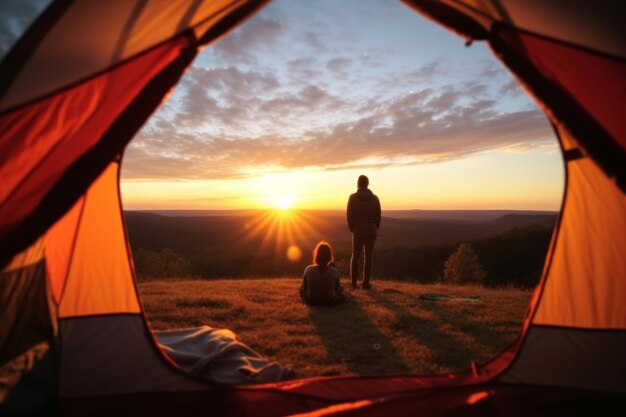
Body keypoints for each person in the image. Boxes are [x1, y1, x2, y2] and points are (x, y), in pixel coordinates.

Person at [347, 175, 381, 289]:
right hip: (372, 229)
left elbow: (349, 216)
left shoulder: (352, 197)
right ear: (367, 184)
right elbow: (378, 216)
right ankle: (366, 283)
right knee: (369, 256)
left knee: (355, 255)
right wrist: (374, 228)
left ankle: (353, 283)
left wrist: (353, 228)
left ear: (358, 183)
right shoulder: (375, 198)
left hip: (358, 229)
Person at [299, 241, 344, 306]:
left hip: (311, 300)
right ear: (329, 256)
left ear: (316, 255)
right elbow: (338, 291)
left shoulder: (308, 269)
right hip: (330, 301)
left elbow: (304, 289)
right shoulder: (334, 271)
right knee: (342, 290)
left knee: (301, 287)